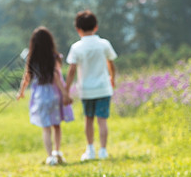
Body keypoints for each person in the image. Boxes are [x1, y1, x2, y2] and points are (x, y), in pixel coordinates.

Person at [65, 10, 117, 160]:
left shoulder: (76, 47)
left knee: (88, 119)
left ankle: (90, 149)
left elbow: (71, 70)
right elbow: (111, 64)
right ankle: (103, 150)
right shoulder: (104, 44)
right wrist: (112, 78)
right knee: (102, 120)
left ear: (78, 29)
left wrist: (66, 90)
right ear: (96, 27)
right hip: (103, 87)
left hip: (86, 90)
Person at [17, 26, 73, 165]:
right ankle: (58, 151)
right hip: (54, 94)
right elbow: (56, 76)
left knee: (46, 128)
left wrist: (21, 91)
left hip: (40, 96)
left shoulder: (32, 59)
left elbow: (27, 77)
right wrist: (65, 93)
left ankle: (50, 157)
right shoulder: (54, 57)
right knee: (57, 125)